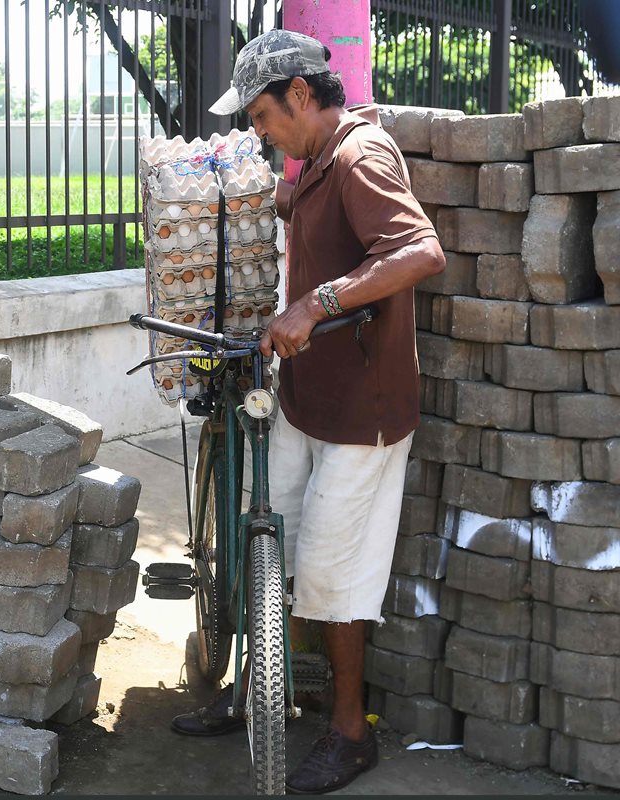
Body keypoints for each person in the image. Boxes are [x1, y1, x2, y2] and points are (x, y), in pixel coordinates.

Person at [169, 30, 444, 794]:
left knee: (330, 573)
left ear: (299, 95)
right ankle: (260, 694)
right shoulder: (319, 161)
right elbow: (320, 216)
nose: (260, 132)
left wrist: (318, 302)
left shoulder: (361, 156)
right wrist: (278, 198)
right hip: (306, 397)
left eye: (262, 116)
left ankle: (351, 732)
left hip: (363, 410)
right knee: (275, 549)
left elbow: (420, 251)